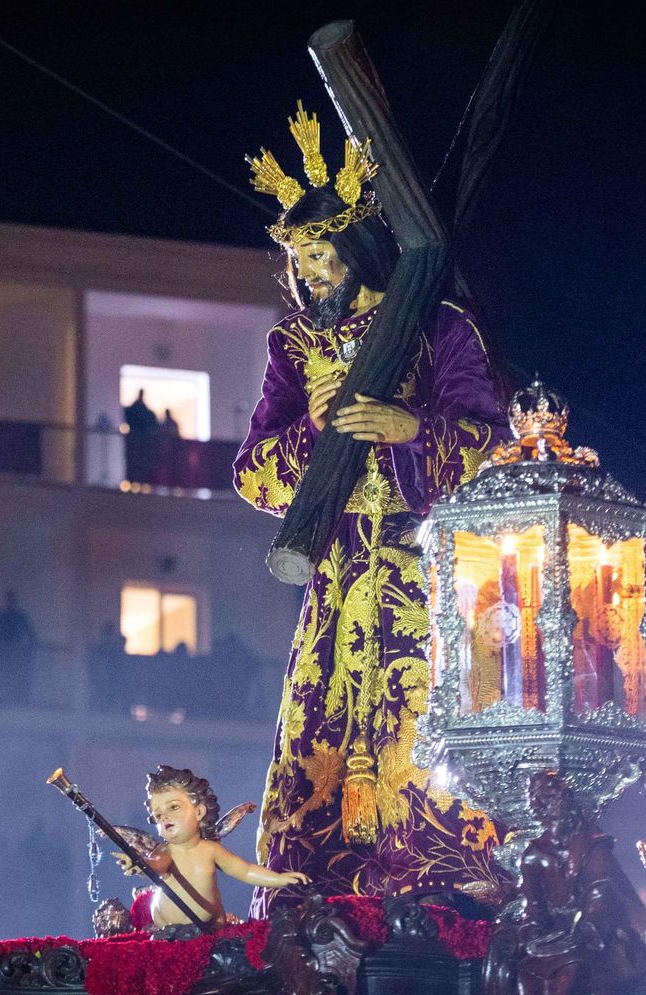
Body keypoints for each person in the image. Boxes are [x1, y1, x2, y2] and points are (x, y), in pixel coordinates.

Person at [235, 105, 512, 915]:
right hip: (335, 585)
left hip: (429, 577)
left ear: (358, 246)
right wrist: (312, 430)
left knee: (427, 730)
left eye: (323, 258)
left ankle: (447, 890)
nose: (313, 278)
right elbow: (254, 476)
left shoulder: (440, 324)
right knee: (326, 730)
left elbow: (493, 449)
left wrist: (409, 430)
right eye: (302, 265)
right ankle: (312, 893)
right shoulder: (294, 348)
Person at [132, 766, 307, 928]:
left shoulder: (210, 850)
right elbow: (155, 864)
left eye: (173, 807)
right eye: (158, 815)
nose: (165, 817)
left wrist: (279, 879)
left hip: (209, 929)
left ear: (199, 812)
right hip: (169, 932)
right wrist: (139, 863)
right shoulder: (166, 851)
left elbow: (244, 870)